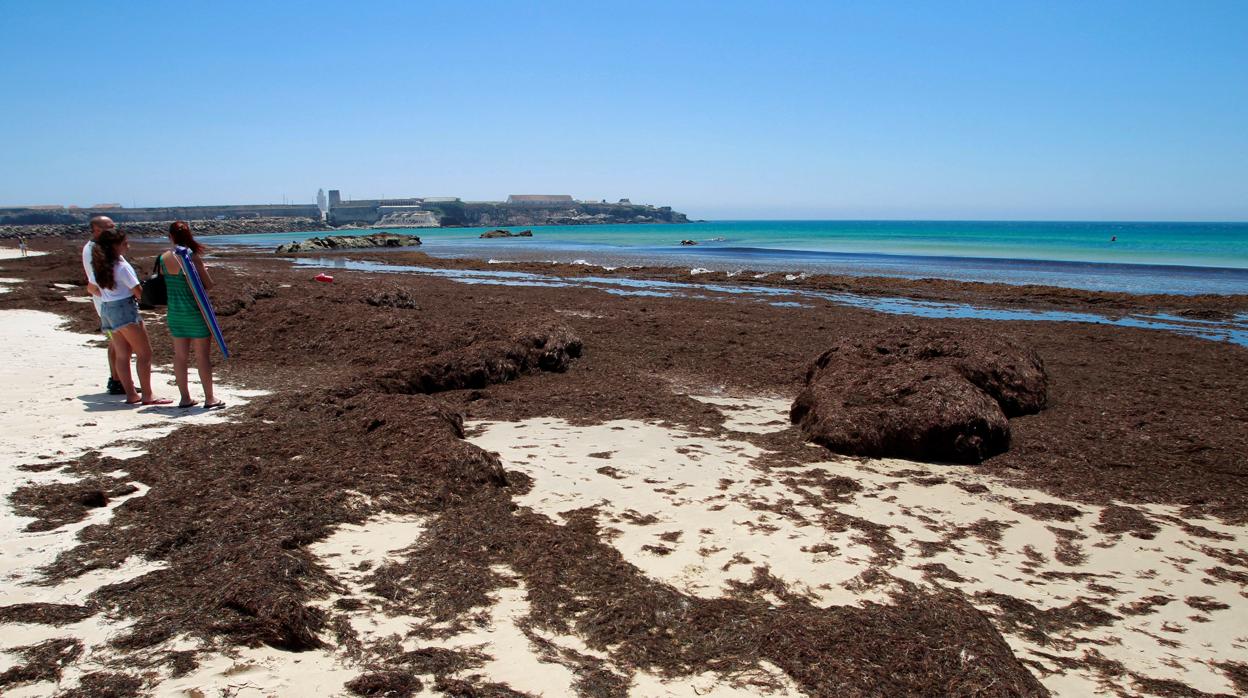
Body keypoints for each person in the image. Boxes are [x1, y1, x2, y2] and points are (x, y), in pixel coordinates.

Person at [91, 228, 171, 406]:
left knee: (122, 354)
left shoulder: (100, 264)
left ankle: (131, 394)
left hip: (107, 309)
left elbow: (93, 288)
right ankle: (147, 395)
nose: (128, 246)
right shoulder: (122, 266)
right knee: (144, 353)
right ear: (115, 246)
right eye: (124, 243)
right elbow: (138, 292)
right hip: (124, 309)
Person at [161, 221, 223, 409]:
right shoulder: (191, 257)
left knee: (180, 356)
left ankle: (184, 398)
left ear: (170, 237)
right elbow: (208, 284)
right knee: (202, 356)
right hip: (195, 312)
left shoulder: (163, 258)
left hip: (175, 312)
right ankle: (209, 398)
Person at [84, 216, 125, 394]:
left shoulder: (100, 248)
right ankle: (118, 380)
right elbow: (93, 285)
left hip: (109, 303)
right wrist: (111, 297)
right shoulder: (94, 249)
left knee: (116, 342)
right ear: (97, 229)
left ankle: (117, 379)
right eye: (109, 227)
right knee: (119, 343)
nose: (114, 229)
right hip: (110, 304)